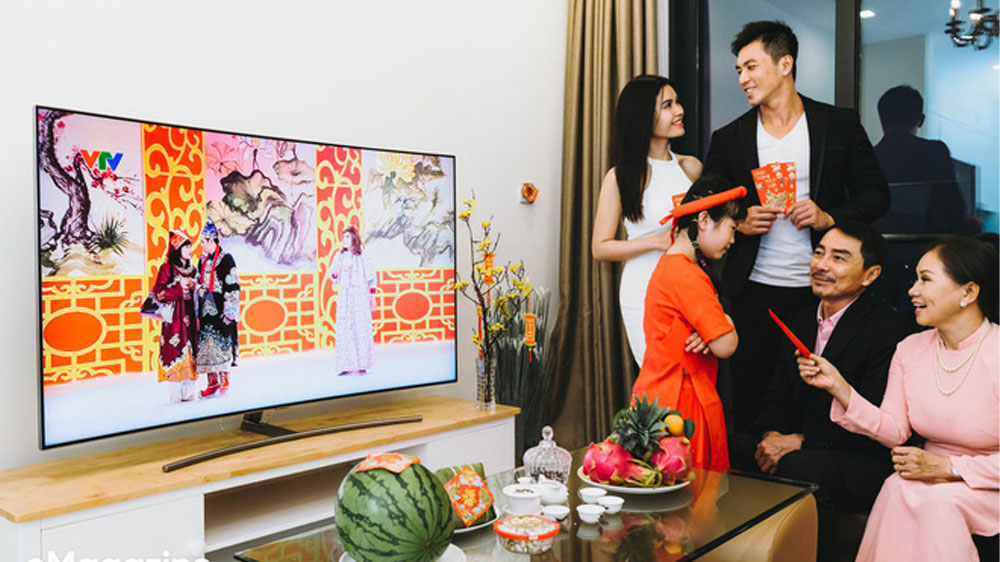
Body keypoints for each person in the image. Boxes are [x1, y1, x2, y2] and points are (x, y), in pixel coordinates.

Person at [703, 20, 890, 429]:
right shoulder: (730, 138)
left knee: (812, 402)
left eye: (751, 66)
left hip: (822, 292)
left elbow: (877, 195)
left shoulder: (837, 124)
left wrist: (829, 217)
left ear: (785, 63)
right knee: (750, 400)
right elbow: (701, 208)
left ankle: (812, 482)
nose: (742, 79)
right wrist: (739, 220)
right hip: (753, 291)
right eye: (738, 70)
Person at [799, 236, 999, 562]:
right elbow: (895, 430)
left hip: (987, 484)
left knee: (938, 504)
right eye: (915, 279)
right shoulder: (910, 349)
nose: (912, 291)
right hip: (927, 476)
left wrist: (950, 467)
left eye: (925, 280)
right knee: (896, 487)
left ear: (968, 293)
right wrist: (839, 388)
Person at [728, 221, 911, 562]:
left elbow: (877, 419)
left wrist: (800, 440)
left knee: (803, 466)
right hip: (807, 444)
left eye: (839, 258)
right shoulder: (798, 320)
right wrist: (771, 435)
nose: (821, 265)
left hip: (862, 455)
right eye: (818, 253)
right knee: (733, 447)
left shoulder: (889, 330)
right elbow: (777, 395)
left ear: (869, 276)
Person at [632, 176, 746, 470]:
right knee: (689, 501)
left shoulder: (667, 267)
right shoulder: (688, 274)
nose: (733, 241)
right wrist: (727, 321)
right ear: (704, 220)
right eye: (732, 229)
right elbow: (724, 344)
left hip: (657, 394)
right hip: (682, 402)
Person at [592, 75, 703, 366]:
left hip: (689, 286)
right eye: (668, 105)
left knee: (692, 380)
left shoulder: (690, 168)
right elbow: (600, 248)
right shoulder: (621, 177)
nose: (679, 110)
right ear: (643, 116)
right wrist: (655, 241)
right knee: (659, 380)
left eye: (677, 102)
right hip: (644, 288)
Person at [873, 84, 970, 235]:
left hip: (880, 243)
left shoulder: (870, 157)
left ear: (881, 118)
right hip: (927, 243)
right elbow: (953, 209)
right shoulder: (935, 152)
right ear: (921, 119)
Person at [195, 220, 240, 398]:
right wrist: (199, 289)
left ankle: (224, 379)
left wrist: (230, 312)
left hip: (221, 308)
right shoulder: (201, 260)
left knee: (222, 343)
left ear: (212, 241)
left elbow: (233, 285)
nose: (201, 245)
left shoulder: (226, 259)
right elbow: (199, 280)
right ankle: (211, 382)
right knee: (206, 345)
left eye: (203, 242)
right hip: (206, 309)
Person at [153, 231, 199, 403]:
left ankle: (189, 392)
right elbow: (160, 293)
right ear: (177, 248)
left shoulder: (193, 269)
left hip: (190, 315)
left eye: (190, 246)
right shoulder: (166, 269)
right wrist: (180, 287)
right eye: (186, 246)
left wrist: (195, 287)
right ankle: (176, 395)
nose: (190, 249)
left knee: (191, 351)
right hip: (175, 318)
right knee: (174, 349)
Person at [329, 224, 376, 375]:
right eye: (343, 237)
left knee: (360, 327)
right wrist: (336, 273)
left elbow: (372, 277)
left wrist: (372, 297)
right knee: (345, 327)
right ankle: (344, 364)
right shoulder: (339, 255)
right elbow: (333, 276)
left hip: (360, 295)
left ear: (354, 239)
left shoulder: (363, 256)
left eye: (348, 237)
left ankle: (362, 363)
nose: (344, 239)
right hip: (345, 296)